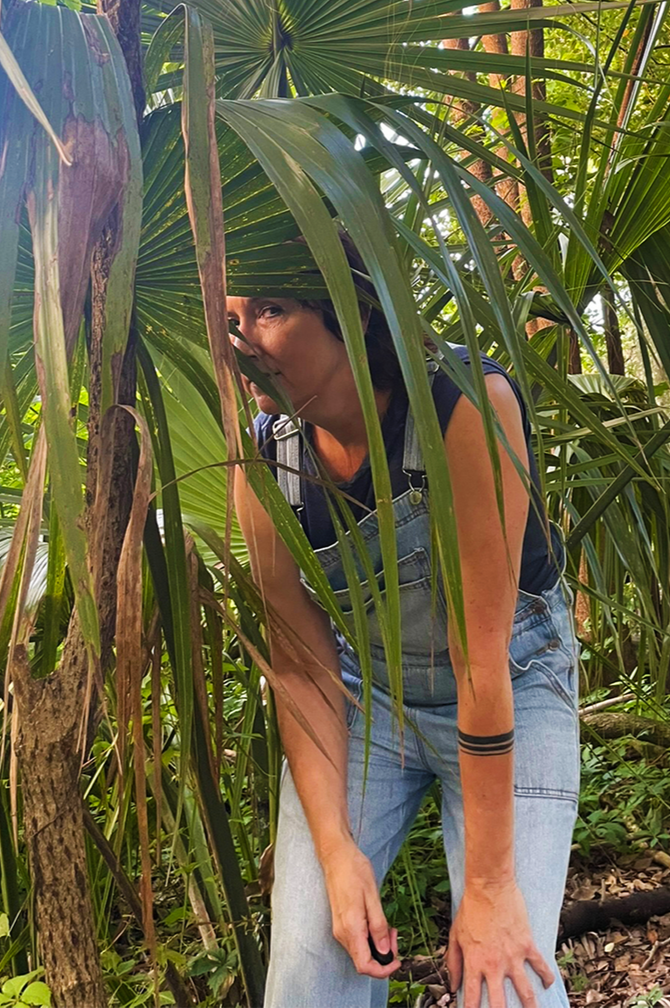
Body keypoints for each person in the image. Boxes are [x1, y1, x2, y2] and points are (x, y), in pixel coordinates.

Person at [229, 234, 580, 1008]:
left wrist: (489, 888)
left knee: (505, 982)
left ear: (350, 308)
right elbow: (301, 670)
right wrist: (335, 853)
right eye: (231, 319)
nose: (243, 341)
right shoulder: (262, 462)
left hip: (510, 684)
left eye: (271, 310)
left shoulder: (461, 404)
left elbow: (480, 660)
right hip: (367, 698)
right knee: (308, 972)